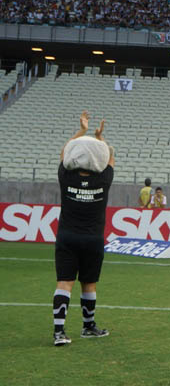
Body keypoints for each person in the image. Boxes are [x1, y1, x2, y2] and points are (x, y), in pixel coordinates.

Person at [52, 110, 115, 346]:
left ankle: (59, 332)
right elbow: (110, 156)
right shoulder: (103, 180)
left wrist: (82, 132)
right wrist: (99, 137)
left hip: (67, 237)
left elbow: (64, 152)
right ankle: (88, 327)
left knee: (64, 282)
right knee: (89, 283)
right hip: (93, 240)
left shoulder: (66, 177)